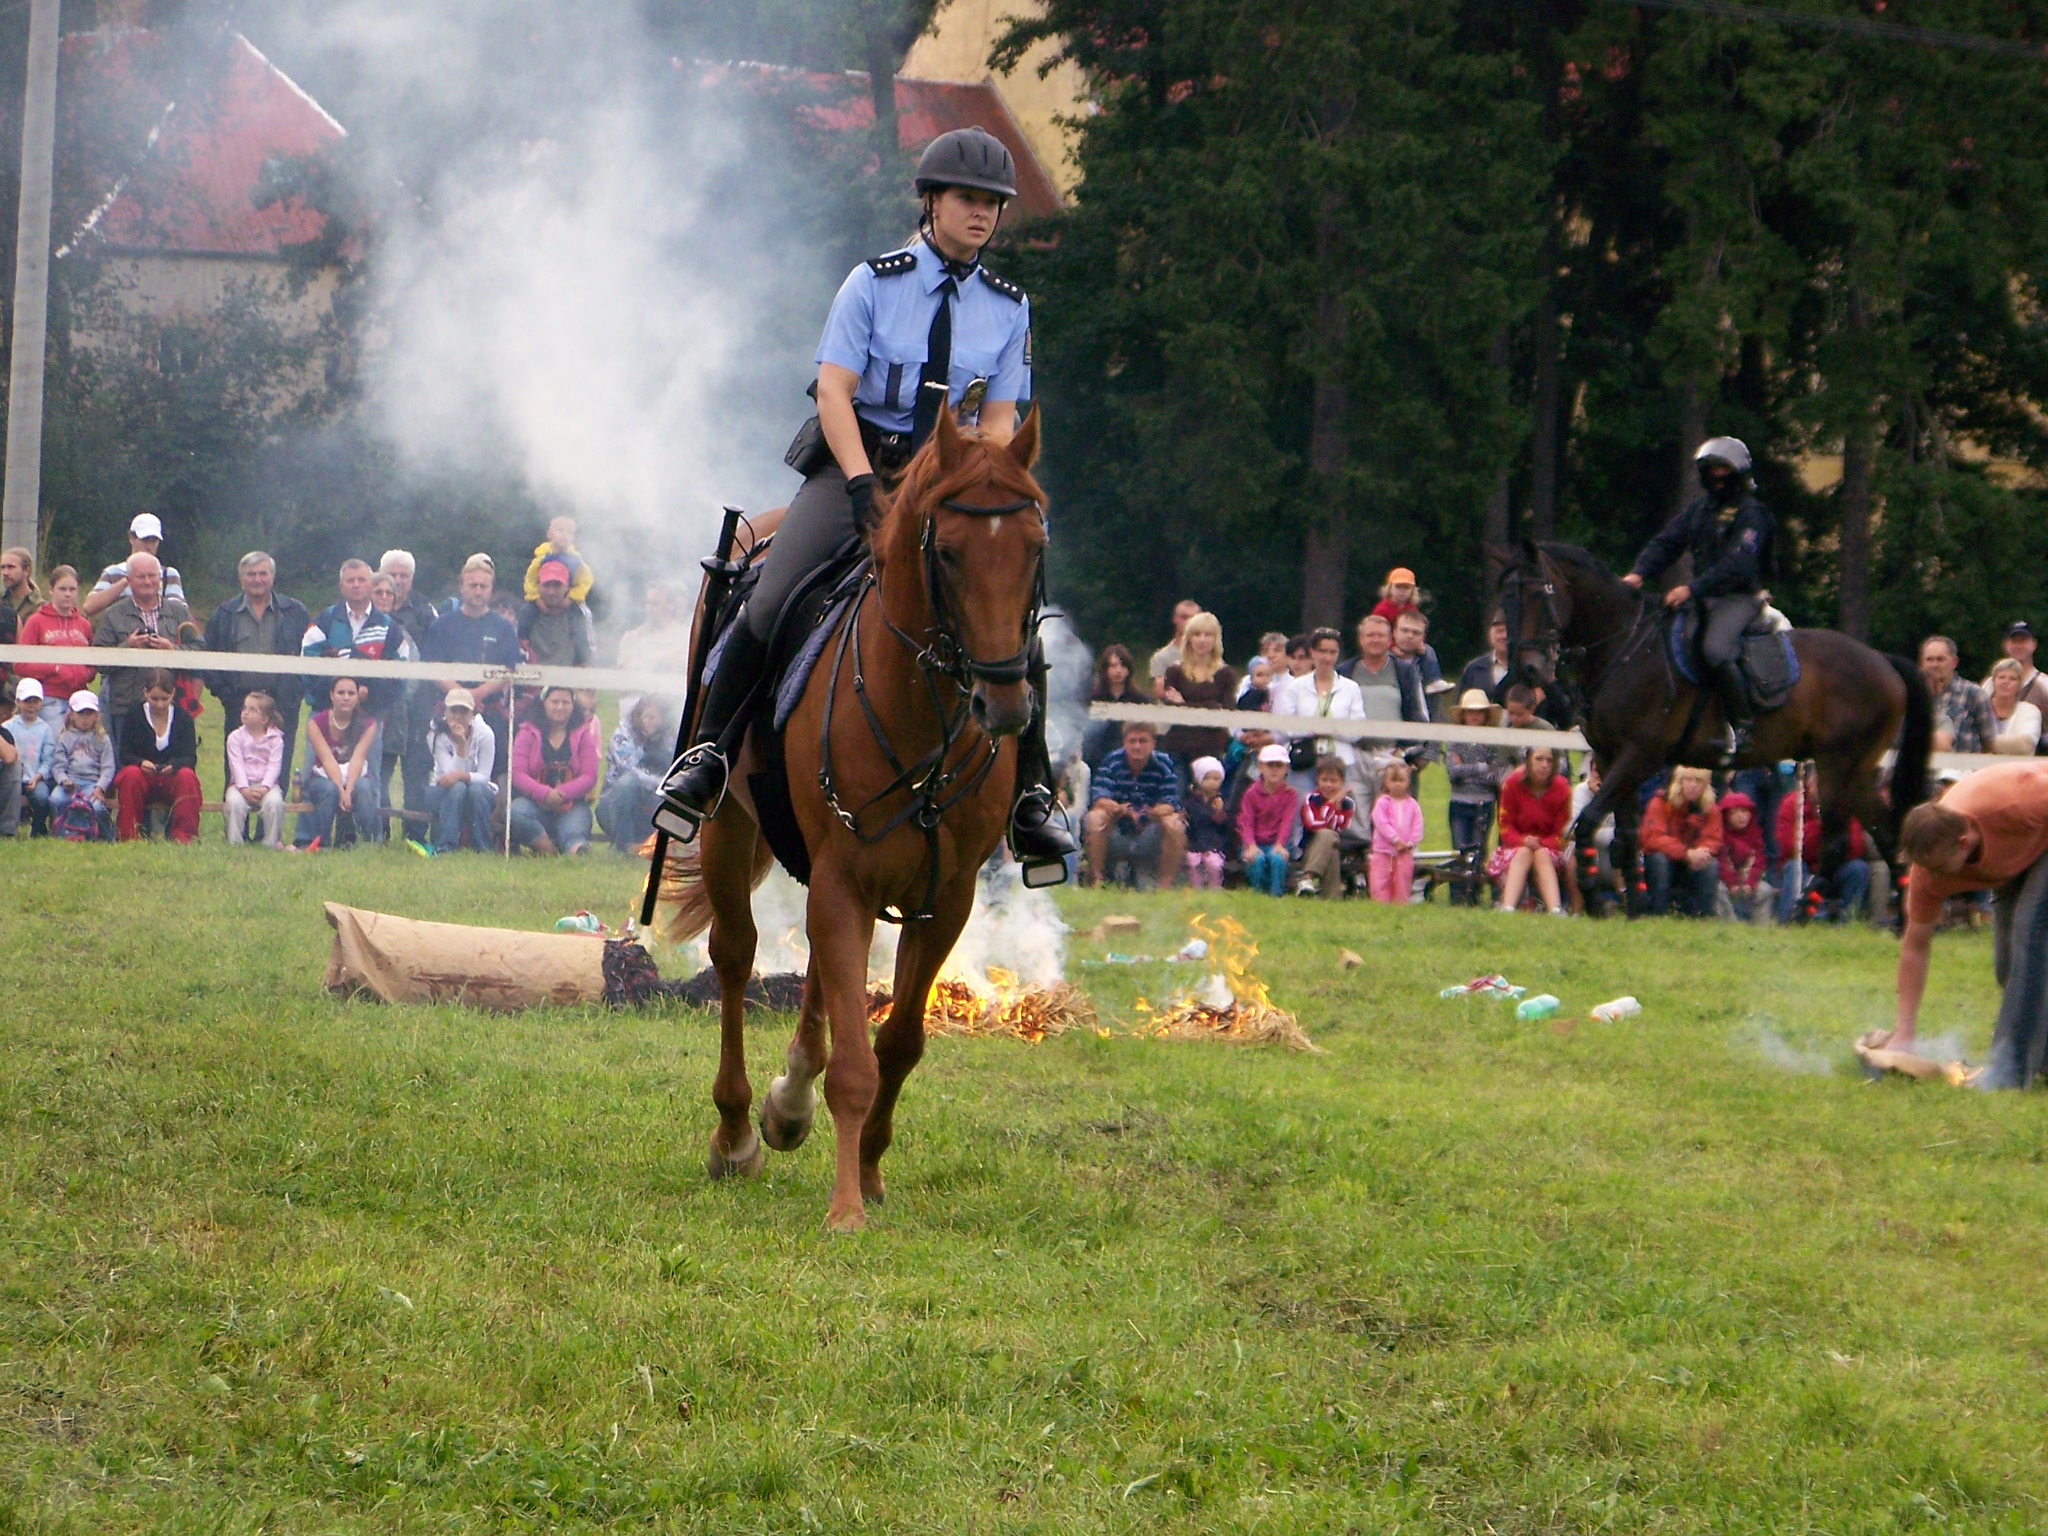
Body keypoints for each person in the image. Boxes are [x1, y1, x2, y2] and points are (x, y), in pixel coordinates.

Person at [657, 127, 1075, 879]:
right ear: (931, 201)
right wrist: (856, 483)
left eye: (993, 205)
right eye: (968, 200)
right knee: (770, 595)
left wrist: (982, 481)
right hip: (859, 470)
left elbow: (1003, 421)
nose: (982, 215)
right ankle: (709, 756)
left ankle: (1032, 801)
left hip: (951, 490)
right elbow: (834, 391)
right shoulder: (873, 283)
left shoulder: (1008, 307)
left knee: (1015, 629)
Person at [1889, 761, 2048, 1085]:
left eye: (1941, 868)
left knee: (2030, 934)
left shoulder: (2020, 798)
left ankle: (2010, 1073)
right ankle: (2043, 1060)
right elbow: (1915, 946)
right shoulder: (1927, 867)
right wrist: (1904, 1032)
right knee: (2009, 965)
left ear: (1964, 842)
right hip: (2020, 853)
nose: (1933, 877)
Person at [1622, 436, 1774, 760]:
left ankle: (1744, 726)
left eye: (1723, 468)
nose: (1717, 475)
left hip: (1738, 598)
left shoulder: (1752, 514)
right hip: (1702, 598)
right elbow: (1667, 542)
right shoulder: (1699, 509)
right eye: (1711, 469)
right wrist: (1638, 573)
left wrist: (1691, 589)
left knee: (1715, 649)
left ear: (1737, 471)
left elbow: (1738, 565)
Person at [203, 551, 312, 790]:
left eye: (263, 573)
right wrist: (225, 694)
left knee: (278, 771)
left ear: (272, 577)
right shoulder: (225, 613)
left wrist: (296, 691)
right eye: (251, 574)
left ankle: (267, 828)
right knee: (235, 768)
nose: (257, 579)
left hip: (282, 702)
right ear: (241, 578)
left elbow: (311, 653)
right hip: (239, 702)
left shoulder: (295, 612)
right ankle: (237, 828)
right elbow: (206, 657)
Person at [90, 552, 189, 758]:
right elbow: (98, 661)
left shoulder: (178, 612)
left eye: (152, 576)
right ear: (128, 581)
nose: (147, 581)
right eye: (141, 576)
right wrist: (128, 646)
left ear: (160, 580)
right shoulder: (113, 614)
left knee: (168, 765)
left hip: (167, 705)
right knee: (124, 766)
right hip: (125, 706)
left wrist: (171, 649)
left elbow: (199, 651)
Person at [421, 555, 522, 753]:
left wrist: (478, 694)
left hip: (489, 710)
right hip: (449, 710)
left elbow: (509, 669)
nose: (478, 591)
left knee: (490, 777)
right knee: (448, 774)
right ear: (462, 587)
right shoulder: (442, 624)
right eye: (472, 585)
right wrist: (463, 696)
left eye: (483, 586)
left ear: (491, 589)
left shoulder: (503, 627)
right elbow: (432, 667)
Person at [1084, 720, 1184, 889]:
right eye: (1132, 741)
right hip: (1117, 826)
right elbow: (1099, 798)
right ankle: (1096, 879)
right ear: (1124, 742)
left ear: (1153, 743)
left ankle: (1165, 885)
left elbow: (1170, 803)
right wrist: (1123, 809)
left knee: (1175, 823)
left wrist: (1147, 813)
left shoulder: (1164, 763)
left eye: (1143, 741)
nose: (1137, 746)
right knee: (1094, 817)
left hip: (1151, 829)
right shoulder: (1112, 761)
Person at [300, 559, 404, 721]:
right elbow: (307, 668)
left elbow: (400, 674)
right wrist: (338, 692)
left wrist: (369, 692)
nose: (356, 585)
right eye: (350, 580)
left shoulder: (390, 628)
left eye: (361, 580)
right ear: (342, 587)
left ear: (370, 585)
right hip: (324, 716)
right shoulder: (323, 622)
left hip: (369, 718)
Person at [1343, 613, 1431, 797]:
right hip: (1354, 756)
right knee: (1355, 822)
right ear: (1360, 639)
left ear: (1390, 639)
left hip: (1391, 756)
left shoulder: (1405, 672)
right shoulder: (1345, 672)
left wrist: (1403, 752)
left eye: (1380, 635)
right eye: (1370, 635)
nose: (1375, 640)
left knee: (1391, 818)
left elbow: (1420, 718)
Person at [1773, 762, 1872, 922]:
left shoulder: (1844, 805)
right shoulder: (1792, 803)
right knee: (1793, 867)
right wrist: (1820, 825)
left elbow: (1856, 846)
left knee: (1858, 869)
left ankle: (1848, 923)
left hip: (1835, 868)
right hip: (1804, 867)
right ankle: (1789, 921)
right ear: (1809, 783)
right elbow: (1789, 847)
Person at [112, 667, 201, 843]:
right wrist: (141, 762)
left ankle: (184, 836)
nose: (159, 704)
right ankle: (129, 835)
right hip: (143, 777)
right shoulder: (134, 714)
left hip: (171, 778)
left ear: (173, 694)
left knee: (187, 776)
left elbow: (190, 758)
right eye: (154, 698)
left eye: (165, 699)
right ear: (145, 693)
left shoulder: (183, 717)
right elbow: (124, 754)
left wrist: (174, 766)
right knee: (130, 774)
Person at [1273, 627, 1365, 795]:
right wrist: (1313, 729)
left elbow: (1357, 729)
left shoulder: (1351, 688)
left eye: (1332, 652)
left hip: (1340, 762)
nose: (1327, 657)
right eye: (1322, 651)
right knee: (1302, 813)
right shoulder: (1296, 687)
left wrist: (1330, 729)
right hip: (1304, 761)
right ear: (1312, 652)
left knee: (1337, 815)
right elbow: (1284, 726)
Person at [510, 685, 598, 855]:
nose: (560, 707)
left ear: (573, 706)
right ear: (544, 703)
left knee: (574, 836)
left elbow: (589, 775)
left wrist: (561, 793)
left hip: (572, 806)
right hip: (533, 804)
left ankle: (576, 850)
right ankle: (548, 849)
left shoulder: (583, 734)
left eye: (565, 702)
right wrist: (544, 794)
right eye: (555, 701)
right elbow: (518, 774)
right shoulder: (527, 732)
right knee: (516, 812)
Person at [296, 676, 382, 848]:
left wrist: (348, 790)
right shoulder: (316, 723)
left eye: (351, 693)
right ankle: (321, 843)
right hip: (323, 777)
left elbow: (358, 759)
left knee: (364, 788)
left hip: (355, 775)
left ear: (358, 696)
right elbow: (327, 760)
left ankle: (367, 843)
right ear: (331, 695)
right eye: (341, 692)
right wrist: (341, 791)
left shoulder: (368, 724)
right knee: (329, 790)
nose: (346, 697)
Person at [1490, 745, 1571, 915]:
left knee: (1542, 854)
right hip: (1516, 847)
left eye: (1549, 760)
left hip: (1550, 848)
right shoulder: (1512, 784)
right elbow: (1505, 826)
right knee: (1523, 853)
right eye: (1539, 759)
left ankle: (1555, 909)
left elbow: (1562, 832)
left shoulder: (1562, 787)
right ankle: (1508, 907)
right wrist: (1523, 841)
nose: (1544, 765)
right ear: (1528, 760)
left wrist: (1541, 843)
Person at [15, 566, 95, 732]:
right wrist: (54, 668)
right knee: (55, 746)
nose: (68, 594)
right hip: (50, 698)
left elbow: (92, 661)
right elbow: (20, 664)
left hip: (79, 699)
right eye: (62, 589)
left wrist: (86, 673)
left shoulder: (84, 625)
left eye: (72, 589)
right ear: (51, 590)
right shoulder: (36, 621)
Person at [1158, 612, 1237, 776]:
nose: (1202, 640)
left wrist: (1184, 704)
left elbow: (1224, 713)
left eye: (1208, 635)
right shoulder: (1175, 672)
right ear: (1189, 638)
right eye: (1197, 634)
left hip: (1211, 750)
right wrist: (1208, 705)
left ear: (1215, 639)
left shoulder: (1225, 674)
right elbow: (1172, 712)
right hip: (1177, 748)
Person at [1641, 766, 1724, 917]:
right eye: (1689, 780)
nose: (1693, 785)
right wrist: (1685, 853)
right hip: (1665, 860)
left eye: (1699, 781)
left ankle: (1704, 915)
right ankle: (1658, 913)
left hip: (1692, 862)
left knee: (1710, 865)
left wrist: (1700, 852)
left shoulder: (1710, 808)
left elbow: (1713, 838)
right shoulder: (1660, 802)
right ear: (1679, 782)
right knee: (1659, 860)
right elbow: (1653, 837)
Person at [425, 688, 498, 854]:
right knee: (458, 788)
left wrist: (461, 775)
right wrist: (461, 746)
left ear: (472, 713)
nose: (458, 717)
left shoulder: (486, 734)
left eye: (464, 711)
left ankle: (482, 847)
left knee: (476, 791)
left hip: (477, 792)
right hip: (442, 790)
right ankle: (446, 845)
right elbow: (450, 776)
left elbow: (484, 777)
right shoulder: (435, 734)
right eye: (453, 710)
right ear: (445, 711)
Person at [598, 694, 670, 853]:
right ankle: (624, 849)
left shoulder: (671, 739)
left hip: (654, 804)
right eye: (645, 716)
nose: (648, 721)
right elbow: (629, 771)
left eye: (653, 717)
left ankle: (658, 848)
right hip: (615, 804)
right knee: (627, 784)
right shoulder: (622, 736)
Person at [1445, 688, 1513, 854]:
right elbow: (1453, 773)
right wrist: (1481, 767)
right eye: (1470, 712)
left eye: (1479, 712)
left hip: (1484, 803)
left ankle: (1475, 880)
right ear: (1463, 715)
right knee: (1459, 852)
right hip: (1459, 803)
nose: (1474, 716)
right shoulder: (1455, 740)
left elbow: (1496, 775)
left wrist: (1466, 772)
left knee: (1479, 852)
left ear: (1486, 715)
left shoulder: (1492, 741)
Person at [83, 512, 185, 619]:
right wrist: (129, 579)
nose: (149, 547)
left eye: (154, 541)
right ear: (131, 538)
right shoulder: (113, 573)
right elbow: (89, 607)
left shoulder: (168, 575)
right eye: (145, 540)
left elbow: (181, 614)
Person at [223, 692, 286, 847]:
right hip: (240, 785)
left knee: (275, 803)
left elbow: (274, 765)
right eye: (245, 707)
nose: (245, 712)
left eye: (252, 710)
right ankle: (235, 841)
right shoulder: (235, 737)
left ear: (264, 719)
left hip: (267, 785)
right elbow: (236, 765)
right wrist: (244, 788)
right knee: (233, 802)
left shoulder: (276, 739)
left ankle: (270, 842)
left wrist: (265, 787)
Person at [1237, 742, 1300, 897]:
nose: (1274, 770)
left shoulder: (1290, 794)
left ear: (1286, 768)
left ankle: (1275, 895)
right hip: (1254, 841)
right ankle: (1258, 895)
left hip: (1277, 842)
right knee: (1256, 860)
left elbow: (1287, 822)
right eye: (1270, 765)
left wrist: (1280, 844)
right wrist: (1250, 845)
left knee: (1278, 859)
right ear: (1260, 766)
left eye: (1279, 766)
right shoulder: (1251, 793)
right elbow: (1246, 822)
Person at [48, 693, 114, 839]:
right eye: (80, 713)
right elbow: (58, 766)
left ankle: (106, 834)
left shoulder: (103, 739)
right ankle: (59, 830)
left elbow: (108, 768)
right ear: (71, 714)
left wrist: (100, 787)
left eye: (89, 713)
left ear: (96, 715)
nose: (85, 718)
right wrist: (64, 780)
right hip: (70, 782)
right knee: (55, 799)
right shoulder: (64, 737)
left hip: (92, 783)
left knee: (96, 807)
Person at [1920, 635, 1994, 754]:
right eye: (1929, 659)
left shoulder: (1973, 693)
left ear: (1954, 662)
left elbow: (1989, 742)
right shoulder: (1914, 695)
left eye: (1940, 659)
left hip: (1964, 769)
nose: (1934, 665)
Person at [1295, 755, 1355, 899]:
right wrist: (1330, 805)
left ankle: (1323, 893)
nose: (1328, 785)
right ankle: (1309, 879)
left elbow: (1340, 827)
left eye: (1333, 781)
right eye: (1324, 780)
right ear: (1317, 780)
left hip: (1335, 846)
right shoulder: (1311, 799)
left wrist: (1333, 807)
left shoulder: (1348, 803)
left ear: (1342, 782)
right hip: (1310, 849)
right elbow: (1313, 824)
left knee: (1331, 842)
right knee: (1327, 835)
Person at [1083, 643, 1148, 770]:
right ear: (1105, 669)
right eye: (1113, 665)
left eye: (1122, 665)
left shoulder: (1140, 700)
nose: (1118, 670)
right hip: (1098, 758)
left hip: (1131, 759)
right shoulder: (1092, 700)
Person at [1369, 759, 1423, 903]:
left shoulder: (1412, 805)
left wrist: (1411, 842)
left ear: (1408, 782)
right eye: (1393, 780)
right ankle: (1380, 903)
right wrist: (1394, 840)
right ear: (1386, 782)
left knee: (1402, 880)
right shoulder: (1382, 802)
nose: (1398, 784)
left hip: (1404, 852)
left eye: (1401, 780)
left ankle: (1400, 903)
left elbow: (1417, 825)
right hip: (1383, 851)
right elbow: (1381, 823)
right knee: (1380, 880)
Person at [1988, 620, 2048, 746]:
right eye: (2014, 641)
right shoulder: (1990, 683)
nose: (2018, 646)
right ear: (2005, 645)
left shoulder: (2044, 684)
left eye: (2023, 641)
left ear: (2034, 644)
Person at [6, 679, 53, 835]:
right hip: (11, 778)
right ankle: (8, 828)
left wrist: (38, 776)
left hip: (34, 778)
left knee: (42, 797)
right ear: (17, 701)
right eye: (27, 701)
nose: (31, 706)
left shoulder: (45, 729)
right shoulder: (8, 727)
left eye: (35, 701)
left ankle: (38, 827)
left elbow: (48, 759)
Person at [1716, 790, 1772, 921]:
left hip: (1748, 880)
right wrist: (1731, 883)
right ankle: (1730, 926)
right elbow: (1722, 861)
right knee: (1718, 890)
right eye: (1734, 812)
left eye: (1744, 811)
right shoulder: (1720, 835)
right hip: (1726, 881)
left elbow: (1758, 860)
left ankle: (1761, 930)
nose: (1741, 816)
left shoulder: (1755, 835)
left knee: (1765, 890)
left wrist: (1750, 882)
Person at [522, 515, 596, 605]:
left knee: (581, 613)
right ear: (549, 534)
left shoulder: (576, 560)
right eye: (560, 530)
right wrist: (536, 598)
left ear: (573, 538)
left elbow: (586, 581)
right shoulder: (541, 557)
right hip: (542, 599)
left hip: (569, 599)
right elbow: (530, 579)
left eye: (569, 532)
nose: (564, 535)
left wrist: (572, 598)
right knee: (526, 613)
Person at [1182, 754, 1230, 889]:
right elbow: (1192, 821)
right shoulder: (1192, 801)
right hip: (1195, 842)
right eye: (1207, 778)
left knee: (1213, 863)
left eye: (1216, 778)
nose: (1212, 782)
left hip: (1214, 844)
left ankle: (1214, 887)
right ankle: (1196, 887)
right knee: (1193, 861)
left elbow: (1226, 826)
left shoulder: (1223, 801)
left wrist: (1219, 813)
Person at [1986, 658, 2041, 755]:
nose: (2006, 682)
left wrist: (1985, 742)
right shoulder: (1977, 708)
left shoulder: (2030, 711)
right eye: (2001, 677)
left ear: (2020, 685)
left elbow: (2025, 746)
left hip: (2016, 768)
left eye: (2012, 679)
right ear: (1993, 681)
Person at [1459, 614, 1512, 705]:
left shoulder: (1526, 670)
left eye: (1510, 632)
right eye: (1499, 631)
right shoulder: (1474, 669)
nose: (1504, 636)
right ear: (1491, 636)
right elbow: (1462, 705)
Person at [1149, 598, 1201, 684]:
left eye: (1193, 618)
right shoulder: (1161, 658)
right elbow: (1160, 693)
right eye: (1184, 617)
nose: (1189, 622)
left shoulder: (1210, 656)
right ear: (1174, 619)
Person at [1392, 610, 1444, 694]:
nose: (1410, 636)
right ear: (1394, 632)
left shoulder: (1428, 663)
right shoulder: (1383, 662)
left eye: (1416, 633)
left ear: (1423, 637)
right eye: (1404, 630)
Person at [2, 545, 42, 622]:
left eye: (11, 567)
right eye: (3, 567)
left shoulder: (40, 607)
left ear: (27, 570)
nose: (5, 573)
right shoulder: (2, 602)